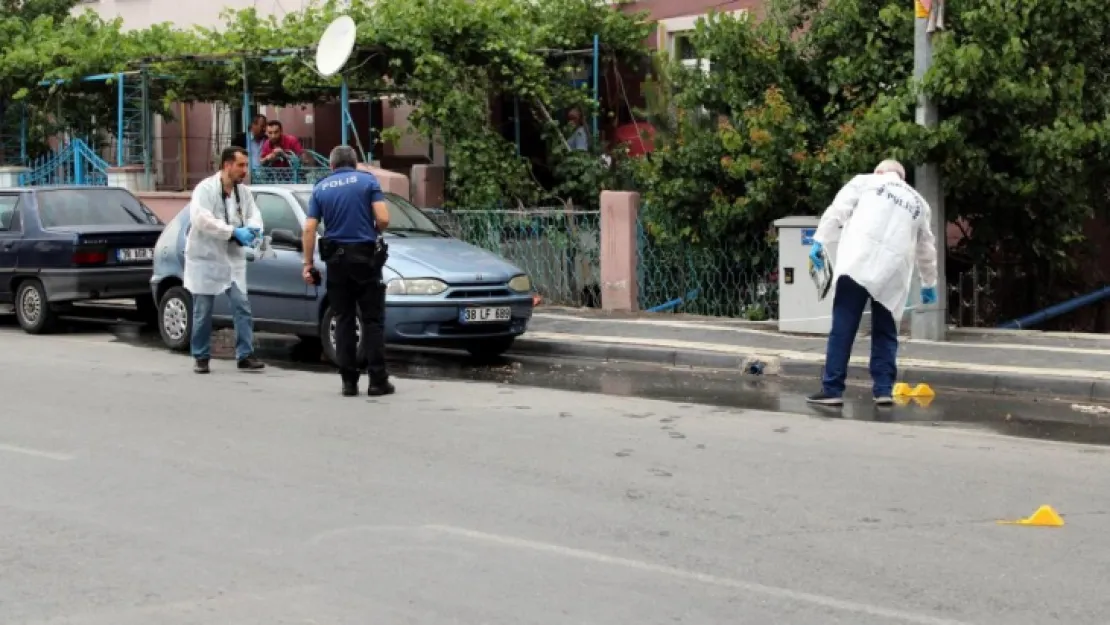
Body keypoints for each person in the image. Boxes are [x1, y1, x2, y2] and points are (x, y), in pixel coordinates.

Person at [806, 159, 939, 407]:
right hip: (894, 273)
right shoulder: (919, 203)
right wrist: (929, 283)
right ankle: (883, 390)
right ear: (903, 179)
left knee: (844, 327)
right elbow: (926, 248)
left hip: (858, 262)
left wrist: (820, 239)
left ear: (880, 171)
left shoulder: (866, 181)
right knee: (886, 332)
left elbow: (838, 210)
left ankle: (832, 388)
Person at [301, 145, 393, 397]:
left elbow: (309, 228)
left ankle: (348, 383)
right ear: (355, 164)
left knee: (343, 320)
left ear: (331, 165)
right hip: (365, 259)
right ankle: (377, 380)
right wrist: (372, 228)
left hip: (336, 261)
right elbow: (383, 219)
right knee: (372, 320)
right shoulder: (367, 181)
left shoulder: (321, 188)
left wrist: (307, 264)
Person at [184, 146, 266, 374]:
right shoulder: (205, 190)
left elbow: (254, 214)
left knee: (242, 306)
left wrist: (253, 230)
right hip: (206, 257)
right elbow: (202, 219)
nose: (245, 170)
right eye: (241, 165)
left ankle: (245, 354)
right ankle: (200, 356)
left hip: (232, 257)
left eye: (246, 165)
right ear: (227, 165)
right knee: (203, 310)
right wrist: (232, 231)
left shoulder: (244, 192)